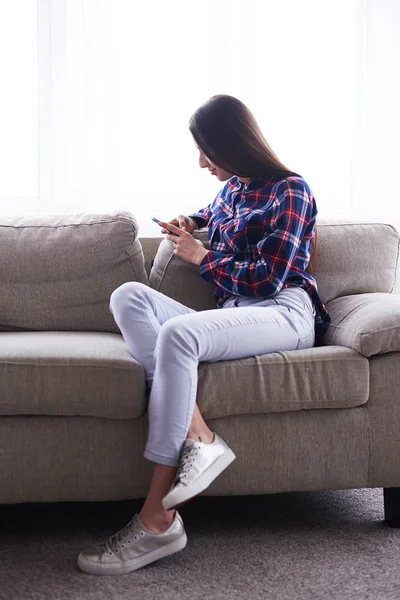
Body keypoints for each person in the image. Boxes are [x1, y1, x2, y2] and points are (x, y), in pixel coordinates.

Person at [77, 94, 331, 576]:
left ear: (234, 144)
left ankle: (157, 519)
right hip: (239, 311)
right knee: (128, 296)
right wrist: (190, 223)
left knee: (177, 334)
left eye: (207, 151)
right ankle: (198, 432)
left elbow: (267, 278)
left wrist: (200, 256)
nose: (202, 163)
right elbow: (213, 215)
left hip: (283, 311)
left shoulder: (292, 191)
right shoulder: (235, 188)